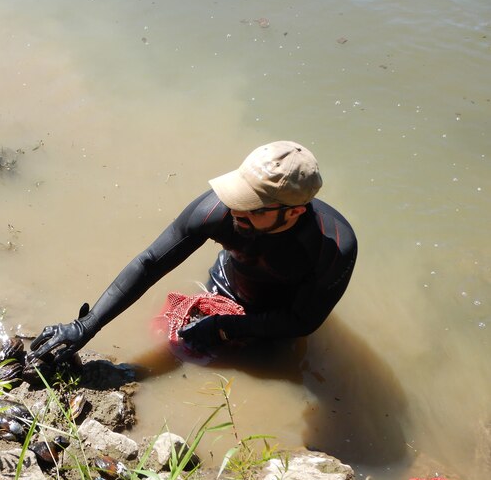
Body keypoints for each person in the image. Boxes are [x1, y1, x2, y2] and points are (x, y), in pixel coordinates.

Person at [27, 140, 357, 365]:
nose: (235, 211)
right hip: (227, 283)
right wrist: (87, 325)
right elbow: (150, 263)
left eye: (251, 207)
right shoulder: (215, 212)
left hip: (279, 316)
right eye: (236, 196)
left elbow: (302, 321)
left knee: (265, 364)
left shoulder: (332, 246)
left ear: (293, 213)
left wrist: (223, 327)